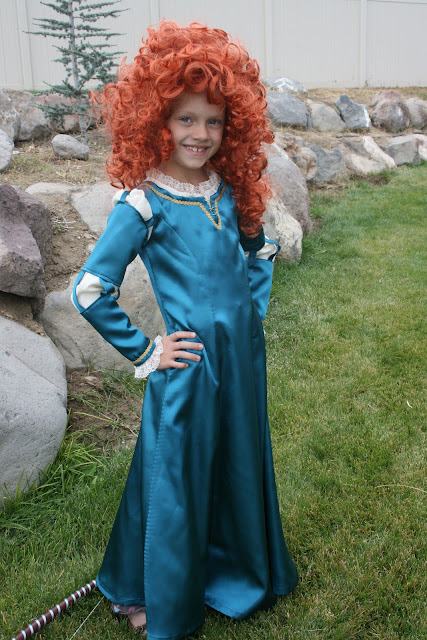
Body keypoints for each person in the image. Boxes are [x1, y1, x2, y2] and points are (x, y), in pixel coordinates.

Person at [72, 20, 298, 640]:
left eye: (214, 121)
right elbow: (89, 290)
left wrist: (248, 317)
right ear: (156, 120)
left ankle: (235, 571)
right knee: (174, 473)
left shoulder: (227, 192)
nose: (200, 134)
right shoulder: (144, 203)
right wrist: (147, 351)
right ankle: (145, 591)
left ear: (233, 126)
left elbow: (259, 251)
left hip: (241, 361)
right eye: (186, 119)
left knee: (236, 459)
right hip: (190, 364)